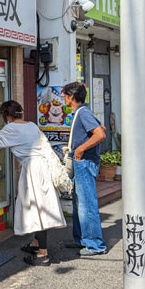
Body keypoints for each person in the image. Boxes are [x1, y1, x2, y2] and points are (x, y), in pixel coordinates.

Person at [0, 100, 66, 267]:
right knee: (41, 205)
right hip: (42, 168)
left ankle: (43, 255)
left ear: (6, 115)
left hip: (32, 171)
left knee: (38, 210)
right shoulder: (31, 125)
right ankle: (36, 244)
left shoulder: (11, 128)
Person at [62, 82, 108, 256]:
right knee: (79, 203)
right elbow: (101, 128)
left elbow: (100, 134)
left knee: (86, 203)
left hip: (84, 161)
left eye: (65, 95)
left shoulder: (83, 113)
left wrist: (81, 148)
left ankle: (95, 245)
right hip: (82, 162)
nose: (64, 98)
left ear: (71, 96)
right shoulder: (83, 112)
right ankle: (81, 240)